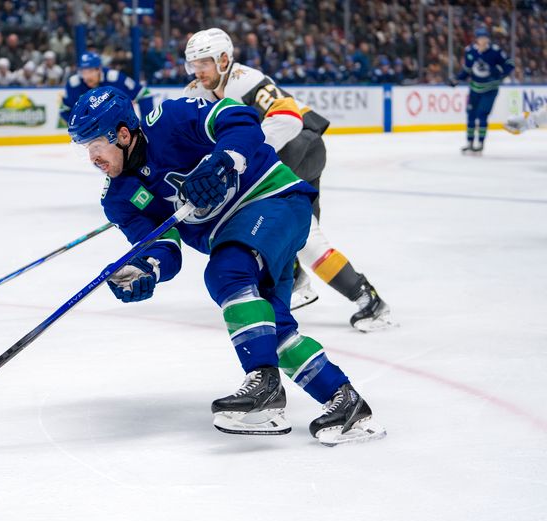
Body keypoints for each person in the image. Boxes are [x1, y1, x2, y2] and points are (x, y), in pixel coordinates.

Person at [68, 86, 386, 446]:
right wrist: (145, 270)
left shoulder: (170, 119)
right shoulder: (118, 199)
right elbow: (164, 248)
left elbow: (239, 117)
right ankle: (345, 403)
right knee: (273, 330)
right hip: (248, 234)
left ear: (123, 134)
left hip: (274, 198)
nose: (92, 157)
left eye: (96, 145)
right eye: (86, 149)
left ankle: (264, 388)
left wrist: (225, 159)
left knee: (226, 271)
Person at [183, 28, 394, 331]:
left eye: (203, 62)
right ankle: (299, 282)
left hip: (301, 145)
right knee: (291, 230)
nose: (197, 71)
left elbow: (287, 119)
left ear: (224, 59)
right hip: (281, 153)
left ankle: (366, 297)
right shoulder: (197, 93)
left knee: (299, 232)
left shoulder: (245, 79)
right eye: (193, 64)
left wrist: (238, 154)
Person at [451, 27, 514, 154]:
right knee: (471, 115)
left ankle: (480, 143)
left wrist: (499, 73)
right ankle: (469, 142)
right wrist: (457, 79)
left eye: (485, 37)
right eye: (480, 38)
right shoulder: (470, 51)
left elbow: (510, 64)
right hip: (474, 89)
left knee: (482, 114)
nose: (483, 40)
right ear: (477, 39)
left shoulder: (495, 51)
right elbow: (467, 70)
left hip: (490, 89)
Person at [60, 51, 153, 124]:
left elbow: (144, 94)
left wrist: (145, 123)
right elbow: (64, 110)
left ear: (99, 69)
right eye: (83, 72)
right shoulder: (74, 84)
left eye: (90, 71)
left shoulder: (115, 79)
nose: (86, 76)